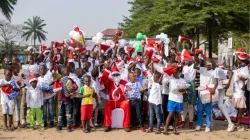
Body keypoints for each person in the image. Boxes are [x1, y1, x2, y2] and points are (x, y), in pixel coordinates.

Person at [101, 64, 131, 132]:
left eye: (117, 75)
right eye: (114, 75)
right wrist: (107, 70)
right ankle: (107, 125)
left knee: (126, 104)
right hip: (113, 101)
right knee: (107, 105)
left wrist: (121, 94)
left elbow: (129, 92)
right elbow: (103, 80)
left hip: (122, 101)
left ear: (120, 75)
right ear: (112, 76)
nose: (116, 76)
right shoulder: (110, 83)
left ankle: (126, 125)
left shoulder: (124, 82)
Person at [195, 59, 218, 132]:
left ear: (212, 64)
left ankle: (208, 125)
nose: (207, 66)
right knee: (199, 109)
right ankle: (199, 124)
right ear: (204, 64)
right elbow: (195, 67)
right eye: (206, 65)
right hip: (201, 92)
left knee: (208, 110)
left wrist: (214, 89)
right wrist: (196, 58)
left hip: (209, 92)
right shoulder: (202, 69)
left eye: (209, 65)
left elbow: (217, 82)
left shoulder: (214, 71)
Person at [232, 53, 249, 131]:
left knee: (239, 110)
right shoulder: (242, 68)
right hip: (239, 93)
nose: (237, 60)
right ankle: (238, 126)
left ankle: (237, 125)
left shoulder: (243, 69)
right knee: (240, 110)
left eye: (237, 59)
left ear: (240, 60)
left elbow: (246, 78)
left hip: (238, 92)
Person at [37, 63, 55, 128]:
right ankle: (44, 121)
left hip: (50, 95)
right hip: (43, 96)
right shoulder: (38, 78)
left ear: (46, 69)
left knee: (51, 109)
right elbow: (38, 87)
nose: (42, 70)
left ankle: (51, 121)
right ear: (39, 70)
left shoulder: (49, 75)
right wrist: (43, 90)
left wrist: (49, 87)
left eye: (44, 68)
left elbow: (54, 81)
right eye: (41, 69)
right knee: (44, 109)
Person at [11, 63, 26, 128]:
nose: (19, 69)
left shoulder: (20, 75)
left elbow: (22, 83)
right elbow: (12, 85)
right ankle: (11, 122)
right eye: (17, 68)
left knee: (18, 107)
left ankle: (18, 121)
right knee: (13, 107)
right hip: (13, 94)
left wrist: (23, 85)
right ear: (13, 69)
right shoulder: (11, 76)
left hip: (19, 93)